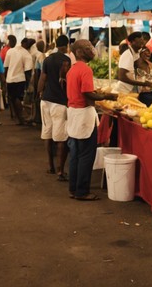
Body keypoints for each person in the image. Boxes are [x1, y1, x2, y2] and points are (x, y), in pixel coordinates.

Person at [66, 39, 112, 202]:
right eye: (87, 48)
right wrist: (107, 96)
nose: (91, 50)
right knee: (86, 155)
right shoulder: (85, 70)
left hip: (73, 113)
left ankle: (73, 188)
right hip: (83, 115)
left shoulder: (72, 69)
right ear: (78, 52)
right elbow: (88, 93)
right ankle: (82, 191)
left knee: (76, 155)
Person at [37, 34, 71, 180]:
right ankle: (60, 171)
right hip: (59, 102)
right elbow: (66, 80)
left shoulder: (47, 59)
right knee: (61, 138)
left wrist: (39, 93)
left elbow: (42, 78)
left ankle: (50, 166)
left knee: (48, 134)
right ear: (66, 46)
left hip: (46, 101)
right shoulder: (66, 60)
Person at [4, 36, 33, 125]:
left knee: (12, 98)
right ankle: (21, 117)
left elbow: (6, 67)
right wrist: (28, 84)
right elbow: (28, 71)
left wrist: (5, 80)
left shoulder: (10, 51)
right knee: (17, 98)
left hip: (10, 79)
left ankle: (17, 117)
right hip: (20, 79)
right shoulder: (26, 54)